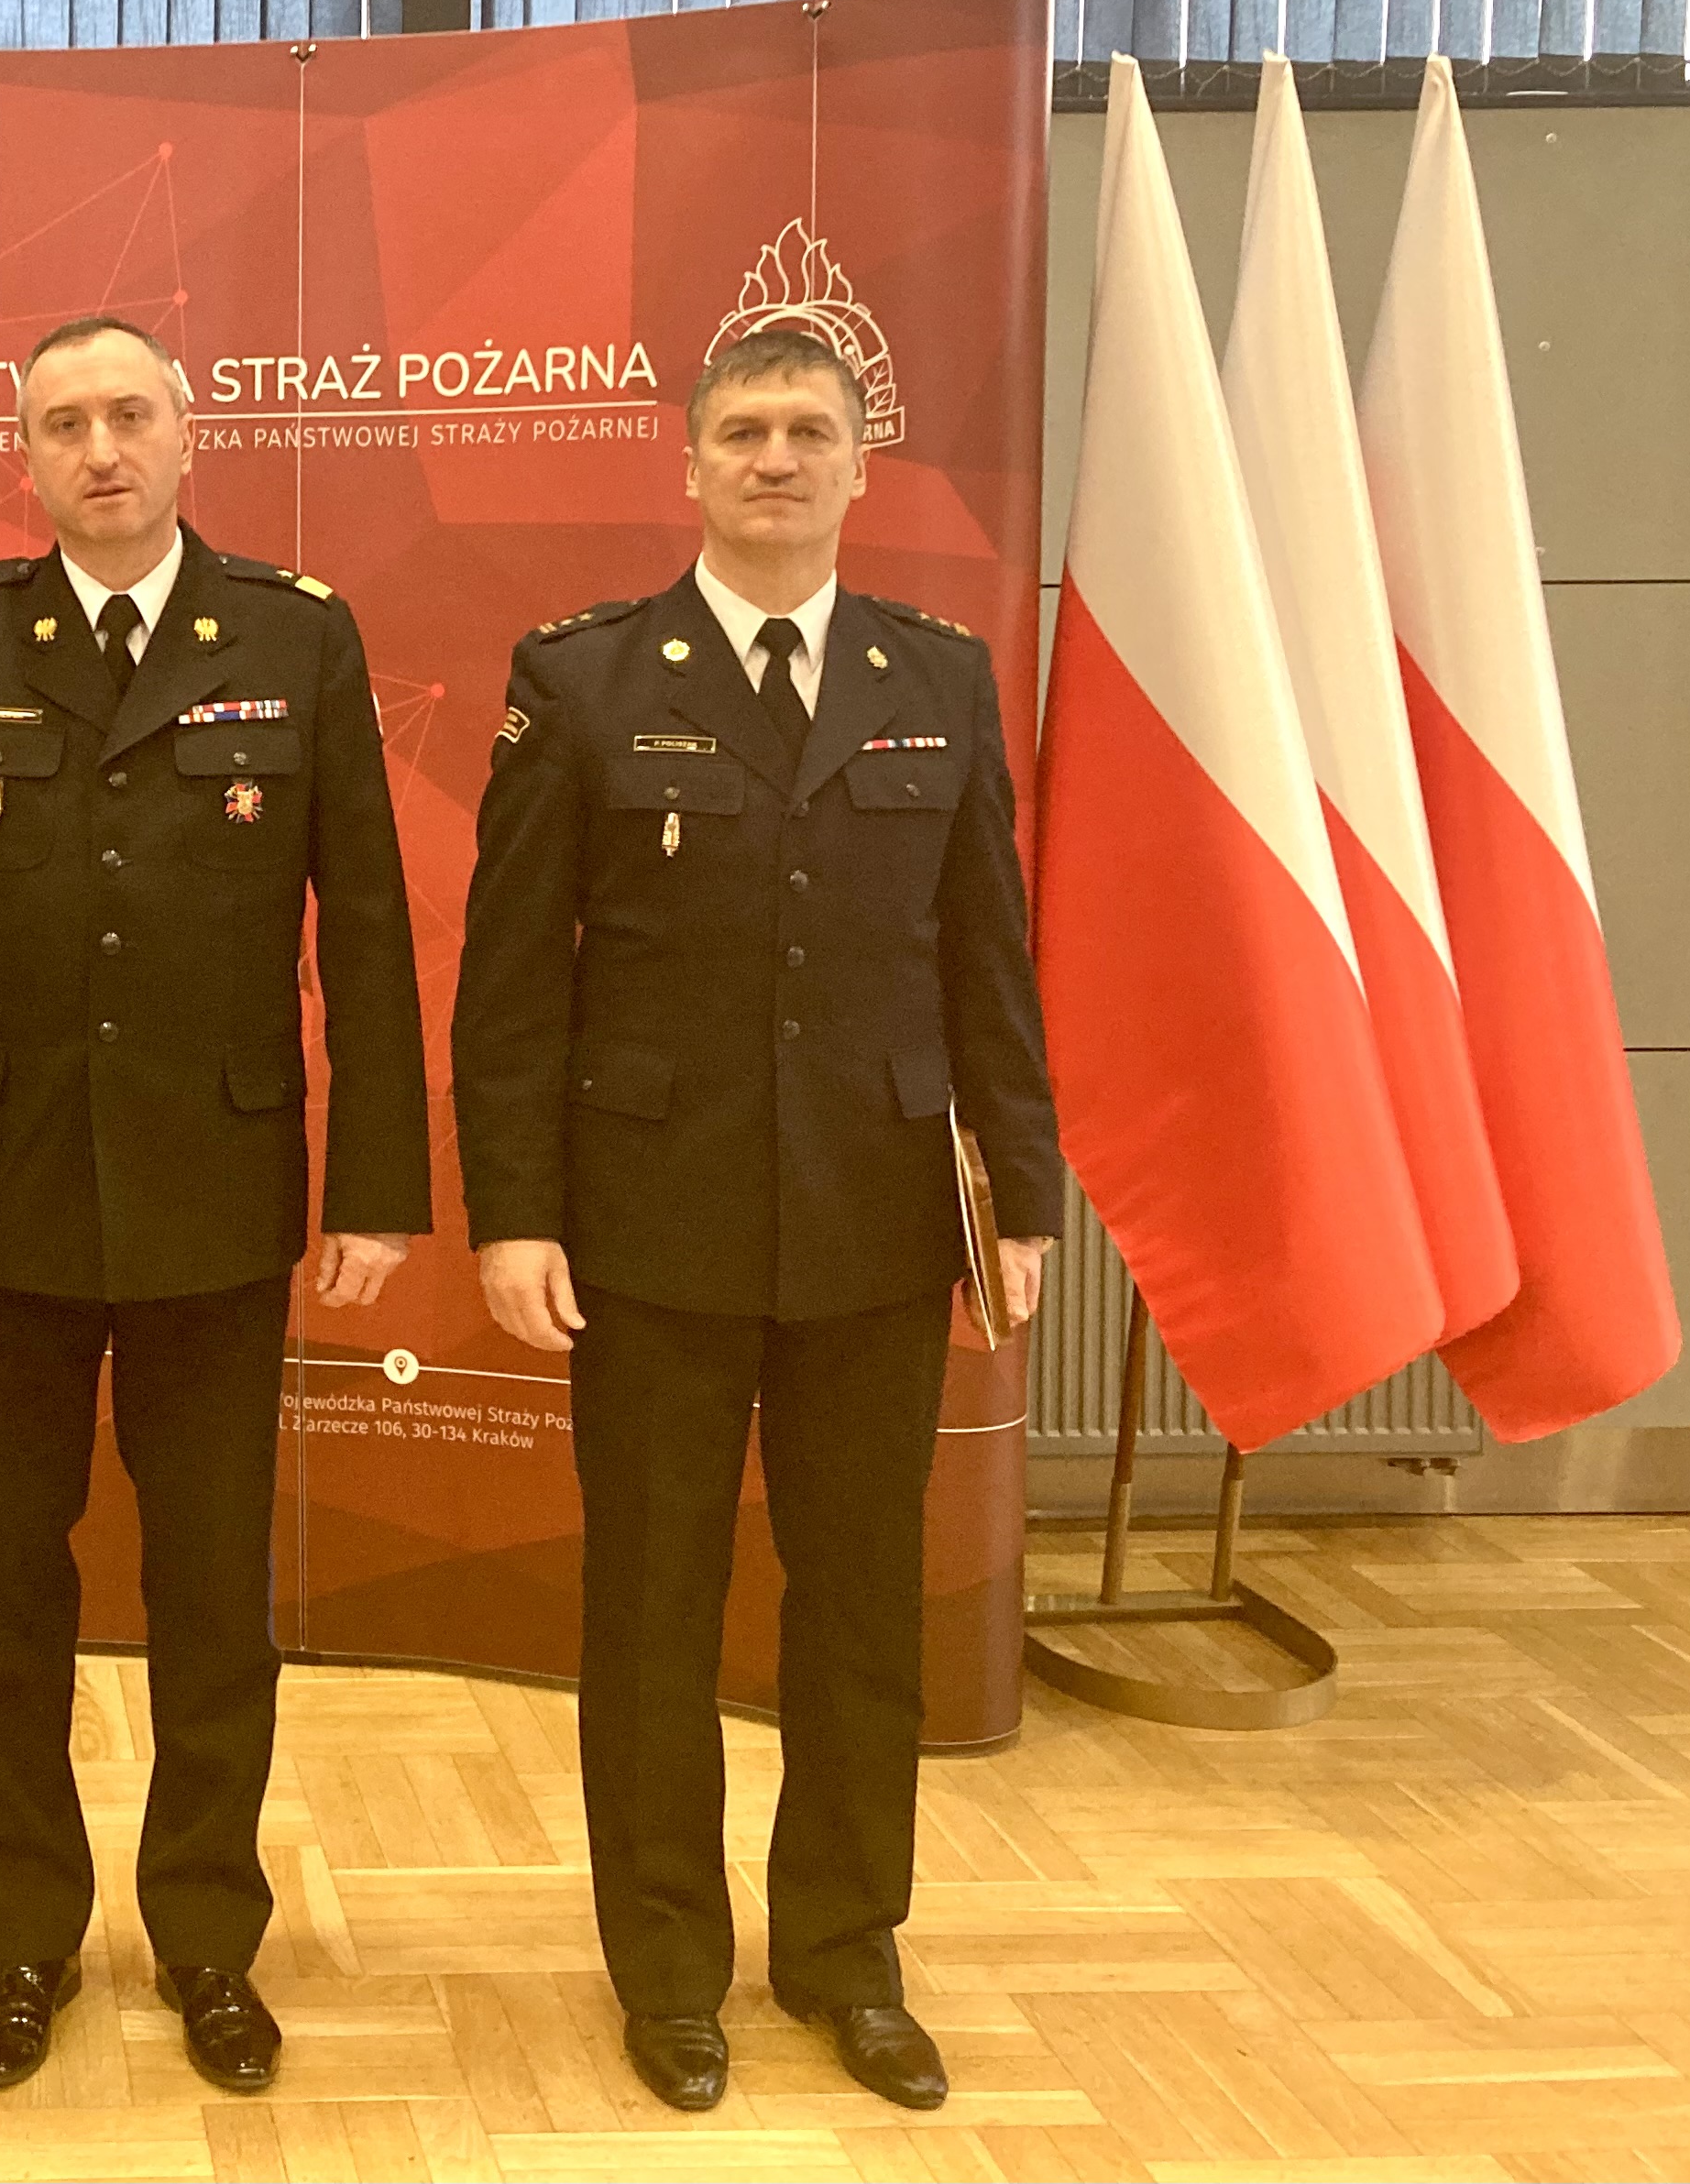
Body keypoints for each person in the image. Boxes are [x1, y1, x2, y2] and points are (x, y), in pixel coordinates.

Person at [451, 328, 1062, 2113]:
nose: (775, 457)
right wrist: (512, 1212)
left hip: (874, 1219)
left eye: (807, 430)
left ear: (859, 463)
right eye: (742, 430)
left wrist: (1018, 1193)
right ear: (691, 464)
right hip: (646, 1228)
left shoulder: (935, 678)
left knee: (859, 1607)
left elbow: (986, 956)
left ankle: (843, 1954)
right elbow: (510, 980)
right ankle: (664, 1967)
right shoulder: (579, 678)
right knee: (654, 1609)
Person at [0, 316, 430, 2097]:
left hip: (212, 1200)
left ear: (187, 431)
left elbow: (366, 929)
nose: (99, 447)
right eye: (63, 422)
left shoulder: (295, 637)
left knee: (213, 1592)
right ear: (24, 455)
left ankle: (207, 1937)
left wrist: (375, 1182)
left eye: (129, 414)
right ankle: (22, 1935)